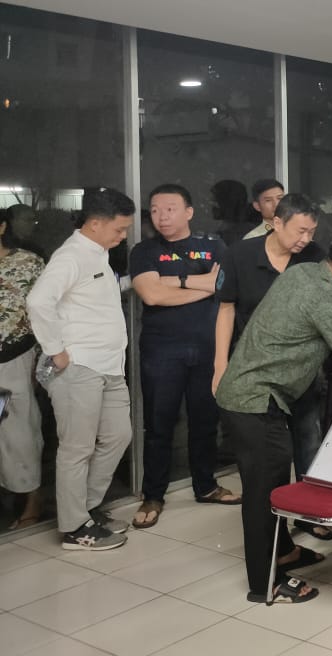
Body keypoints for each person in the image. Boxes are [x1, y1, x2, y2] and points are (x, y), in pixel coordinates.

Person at [215, 228, 332, 604]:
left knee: (273, 483)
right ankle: (265, 583)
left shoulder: (305, 272)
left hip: (251, 394)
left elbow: (316, 325)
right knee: (264, 494)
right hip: (255, 400)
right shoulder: (324, 296)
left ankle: (285, 552)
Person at [215, 192, 332, 540]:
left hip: (302, 370)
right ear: (276, 222)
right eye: (300, 231)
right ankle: (272, 526)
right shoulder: (240, 254)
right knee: (268, 455)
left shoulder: (314, 257)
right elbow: (226, 310)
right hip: (256, 374)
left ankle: (308, 514)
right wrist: (220, 365)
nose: (306, 239)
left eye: (311, 231)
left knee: (308, 439)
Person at [26, 187, 136, 550]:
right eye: (119, 229)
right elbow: (38, 301)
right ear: (95, 223)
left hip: (110, 366)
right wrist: (55, 351)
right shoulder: (72, 255)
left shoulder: (99, 254)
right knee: (77, 448)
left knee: (118, 436)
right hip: (79, 368)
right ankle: (75, 528)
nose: (123, 236)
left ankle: (85, 508)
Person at [128, 185, 235, 529]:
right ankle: (153, 495)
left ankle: (206, 485)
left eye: (170, 209)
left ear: (189, 212)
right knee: (159, 425)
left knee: (205, 422)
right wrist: (199, 282)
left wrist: (174, 282)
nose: (161, 217)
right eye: (155, 210)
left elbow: (223, 286)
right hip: (162, 350)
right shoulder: (144, 250)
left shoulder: (213, 246)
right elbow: (152, 296)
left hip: (207, 348)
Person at [0, 206, 46, 529]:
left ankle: (32, 500)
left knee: (19, 432)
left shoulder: (28, 263)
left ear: (2, 227)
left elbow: (45, 313)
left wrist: (41, 359)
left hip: (14, 359)